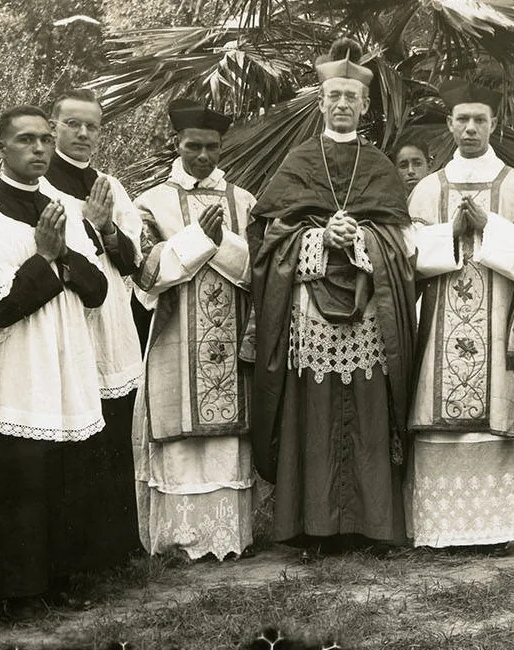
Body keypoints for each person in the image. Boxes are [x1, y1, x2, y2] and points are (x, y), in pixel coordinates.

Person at [248, 37, 418, 556]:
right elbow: (268, 237)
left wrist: (362, 238)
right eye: (334, 96)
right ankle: (313, 527)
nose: (342, 104)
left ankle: (371, 525)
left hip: (368, 307)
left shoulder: (380, 166)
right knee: (314, 409)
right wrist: (319, 237)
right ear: (321, 103)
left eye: (351, 97)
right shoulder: (299, 160)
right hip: (310, 307)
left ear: (365, 106)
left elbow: (402, 241)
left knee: (367, 405)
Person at [0, 105, 108, 619]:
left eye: (46, 138)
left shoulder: (61, 206)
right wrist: (47, 259)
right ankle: (17, 590)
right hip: (18, 365)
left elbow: (97, 288)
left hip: (65, 357)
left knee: (62, 473)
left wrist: (60, 257)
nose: (40, 148)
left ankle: (57, 580)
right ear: (0, 147)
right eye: (26, 140)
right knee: (20, 478)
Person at [404, 80, 514, 553]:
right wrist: (451, 232)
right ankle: (440, 527)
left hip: (500, 322)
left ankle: (497, 529)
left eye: (479, 119)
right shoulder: (428, 189)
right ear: (449, 124)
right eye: (462, 119)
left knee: (499, 413)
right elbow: (409, 258)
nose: (470, 128)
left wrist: (491, 228)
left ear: (494, 124)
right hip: (439, 326)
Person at [131, 99, 257, 560]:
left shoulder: (244, 201)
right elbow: (145, 273)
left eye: (212, 148)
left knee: (226, 443)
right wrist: (200, 239)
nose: (203, 156)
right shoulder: (150, 202)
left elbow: (261, 270)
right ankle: (179, 541)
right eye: (193, 147)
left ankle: (229, 538)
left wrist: (222, 242)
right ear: (177, 144)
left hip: (231, 334)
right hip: (175, 335)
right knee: (180, 437)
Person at [41, 89, 144, 571]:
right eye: (73, 124)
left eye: (92, 126)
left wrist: (105, 229)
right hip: (70, 314)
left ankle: (118, 545)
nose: (83, 134)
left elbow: (132, 260)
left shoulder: (110, 185)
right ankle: (81, 551)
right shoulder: (41, 185)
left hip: (112, 318)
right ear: (53, 126)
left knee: (116, 426)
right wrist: (87, 226)